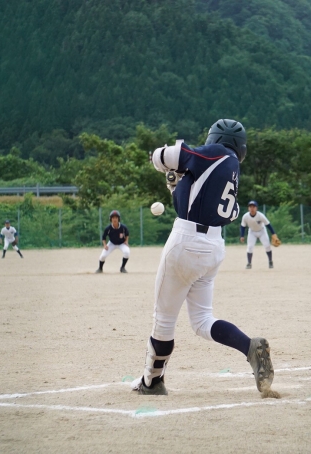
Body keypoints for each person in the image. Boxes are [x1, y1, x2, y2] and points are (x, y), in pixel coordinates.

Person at [132, 119, 278, 398]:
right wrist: (177, 185)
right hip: (213, 247)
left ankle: (152, 382)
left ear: (216, 138)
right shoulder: (231, 170)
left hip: (186, 242)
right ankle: (249, 347)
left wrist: (161, 161)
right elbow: (210, 206)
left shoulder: (215, 153)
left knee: (164, 320)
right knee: (201, 320)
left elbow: (166, 155)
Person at [240, 200, 279, 269]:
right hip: (252, 232)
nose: (252, 208)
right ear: (248, 208)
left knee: (267, 246)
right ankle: (249, 263)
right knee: (250, 247)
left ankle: (270, 261)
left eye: (253, 207)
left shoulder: (260, 216)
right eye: (250, 207)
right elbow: (243, 226)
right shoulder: (245, 216)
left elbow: (268, 225)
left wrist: (274, 234)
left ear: (256, 208)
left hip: (262, 231)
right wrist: (242, 236)